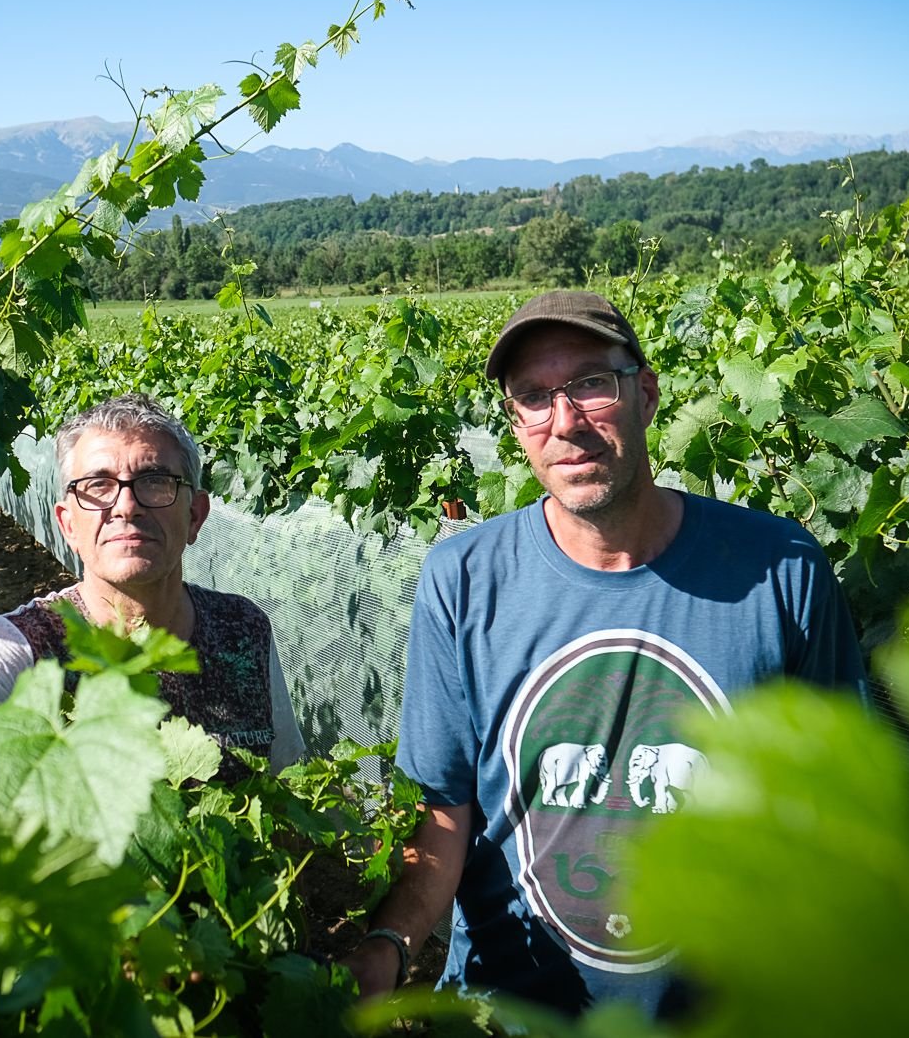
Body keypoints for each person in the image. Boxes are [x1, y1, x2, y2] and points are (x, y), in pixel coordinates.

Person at [344, 290, 865, 1018]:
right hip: (511, 1014)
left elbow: (839, 805)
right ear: (515, 424)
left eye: (590, 383)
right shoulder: (462, 579)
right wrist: (390, 943)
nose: (565, 423)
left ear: (645, 393)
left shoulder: (779, 570)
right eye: (533, 396)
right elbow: (442, 808)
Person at [0, 393, 304, 798]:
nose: (126, 506)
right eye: (98, 486)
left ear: (194, 515)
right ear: (68, 525)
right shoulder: (20, 648)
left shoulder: (242, 628)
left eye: (155, 482)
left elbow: (288, 786)